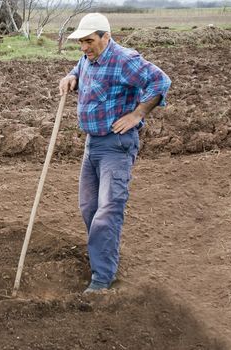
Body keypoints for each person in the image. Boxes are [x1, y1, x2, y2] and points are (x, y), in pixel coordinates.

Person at [59, 13, 171, 293]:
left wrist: (138, 113)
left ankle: (102, 278)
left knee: (108, 210)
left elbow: (160, 81)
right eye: (81, 42)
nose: (84, 47)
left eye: (89, 41)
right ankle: (101, 256)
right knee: (89, 207)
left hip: (116, 146)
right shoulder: (88, 58)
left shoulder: (124, 59)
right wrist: (71, 77)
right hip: (92, 143)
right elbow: (79, 67)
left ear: (105, 37)